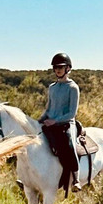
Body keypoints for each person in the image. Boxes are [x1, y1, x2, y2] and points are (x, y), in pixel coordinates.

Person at [39, 52, 81, 193]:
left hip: (66, 124)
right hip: (51, 123)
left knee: (70, 145)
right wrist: (39, 120)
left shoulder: (73, 87)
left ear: (68, 68)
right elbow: (49, 108)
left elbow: (71, 113)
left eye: (61, 67)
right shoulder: (52, 87)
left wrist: (55, 120)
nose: (57, 70)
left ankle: (76, 179)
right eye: (56, 67)